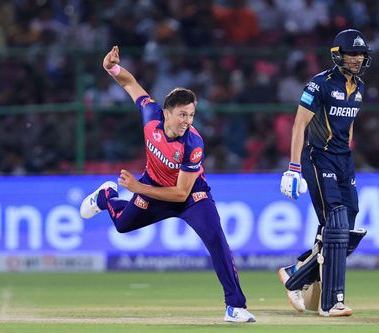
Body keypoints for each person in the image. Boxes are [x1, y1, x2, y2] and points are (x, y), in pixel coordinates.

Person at [80, 46, 256, 323]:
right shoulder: (150, 115)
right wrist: (111, 68)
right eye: (182, 114)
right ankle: (106, 197)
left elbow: (181, 192)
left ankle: (235, 306)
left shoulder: (193, 143)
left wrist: (138, 189)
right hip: (153, 186)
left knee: (217, 241)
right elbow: (131, 84)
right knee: (123, 225)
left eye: (191, 115)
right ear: (167, 113)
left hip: (191, 196)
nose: (187, 121)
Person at [278, 29, 371, 317]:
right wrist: (294, 168)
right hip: (319, 159)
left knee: (348, 223)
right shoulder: (319, 85)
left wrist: (349, 152)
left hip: (344, 160)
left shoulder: (360, 88)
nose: (357, 59)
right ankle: (332, 302)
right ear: (338, 55)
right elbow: (298, 126)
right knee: (336, 222)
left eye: (361, 54)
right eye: (352, 54)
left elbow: (350, 126)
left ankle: (296, 273)